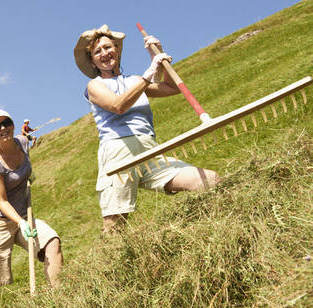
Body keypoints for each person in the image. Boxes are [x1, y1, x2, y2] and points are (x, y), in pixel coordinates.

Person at [74, 24, 220, 234]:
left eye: (108, 47)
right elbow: (118, 106)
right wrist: (149, 74)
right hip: (118, 155)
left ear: (116, 48)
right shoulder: (95, 86)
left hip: (150, 151)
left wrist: (157, 56)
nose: (104, 54)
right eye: (97, 52)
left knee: (209, 180)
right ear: (93, 62)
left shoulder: (133, 81)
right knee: (114, 227)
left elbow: (170, 88)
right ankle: (109, 265)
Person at [0, 109, 63, 308]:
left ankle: (61, 303)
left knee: (52, 242)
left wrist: (28, 174)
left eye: (6, 123)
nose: (2, 128)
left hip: (24, 216)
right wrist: (21, 223)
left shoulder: (23, 142)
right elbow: (1, 200)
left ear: (13, 125)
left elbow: (28, 153)